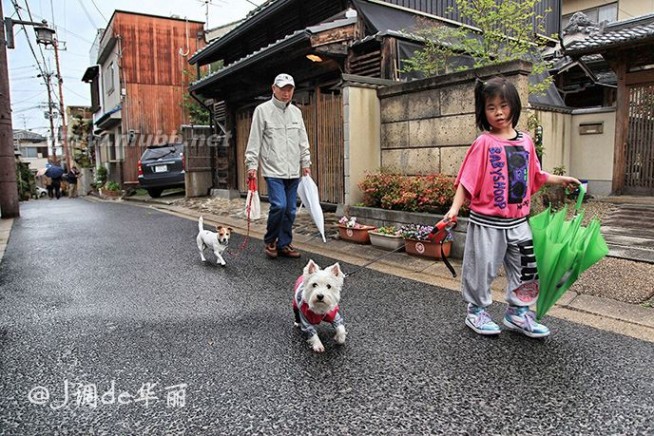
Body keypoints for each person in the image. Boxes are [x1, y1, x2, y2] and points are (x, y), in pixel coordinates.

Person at [445, 77, 580, 338]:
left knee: (526, 268)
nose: (498, 112)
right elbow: (466, 180)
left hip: (519, 222)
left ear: (514, 107)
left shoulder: (526, 142)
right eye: (491, 107)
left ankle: (517, 313)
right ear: (483, 112)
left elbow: (536, 175)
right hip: (486, 222)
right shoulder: (483, 143)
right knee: (481, 267)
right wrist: (454, 209)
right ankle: (476, 311)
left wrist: (561, 180)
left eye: (504, 106)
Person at [245, 73, 312, 259]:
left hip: (293, 170)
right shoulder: (262, 110)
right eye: (282, 88)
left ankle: (284, 243)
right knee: (279, 206)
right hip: (273, 169)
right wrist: (252, 165)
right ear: (274, 88)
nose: (286, 92)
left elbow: (302, 140)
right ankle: (271, 240)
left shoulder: (296, 113)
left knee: (291, 209)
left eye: (289, 89)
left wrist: (305, 162)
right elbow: (255, 140)